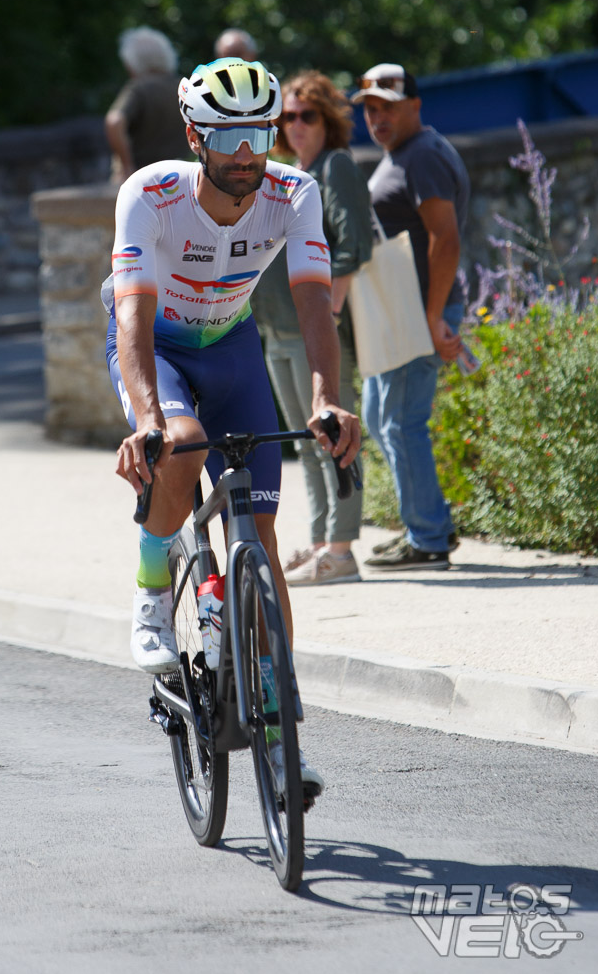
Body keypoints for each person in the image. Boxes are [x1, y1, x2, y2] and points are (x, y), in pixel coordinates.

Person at [102, 56, 361, 793]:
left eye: (260, 134)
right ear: (194, 135)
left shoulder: (294, 190)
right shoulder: (149, 194)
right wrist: (148, 418)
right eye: (229, 138)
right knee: (180, 445)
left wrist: (322, 399)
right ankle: (154, 586)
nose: (249, 155)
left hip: (235, 349)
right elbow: (131, 314)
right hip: (160, 349)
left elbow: (315, 300)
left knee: (264, 537)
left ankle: (281, 735)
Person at [253, 71, 373, 586]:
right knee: (305, 440)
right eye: (287, 117)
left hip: (312, 330)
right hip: (276, 329)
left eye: (307, 115)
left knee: (331, 433)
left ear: (328, 120)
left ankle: (342, 551)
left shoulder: (335, 167)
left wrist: (331, 312)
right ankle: (324, 541)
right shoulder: (287, 173)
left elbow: (354, 245)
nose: (296, 126)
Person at [350, 63, 469, 570]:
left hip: (421, 311)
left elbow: (446, 238)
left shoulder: (421, 156)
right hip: (409, 311)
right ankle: (426, 525)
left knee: (401, 422)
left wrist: (435, 315)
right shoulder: (409, 152)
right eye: (370, 108)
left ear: (415, 105)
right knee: (383, 418)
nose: (377, 117)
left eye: (388, 106)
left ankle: (429, 539)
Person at [104, 27, 186, 183]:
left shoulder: (138, 88)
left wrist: (127, 167)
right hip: (181, 176)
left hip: (143, 179)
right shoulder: (184, 86)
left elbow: (114, 122)